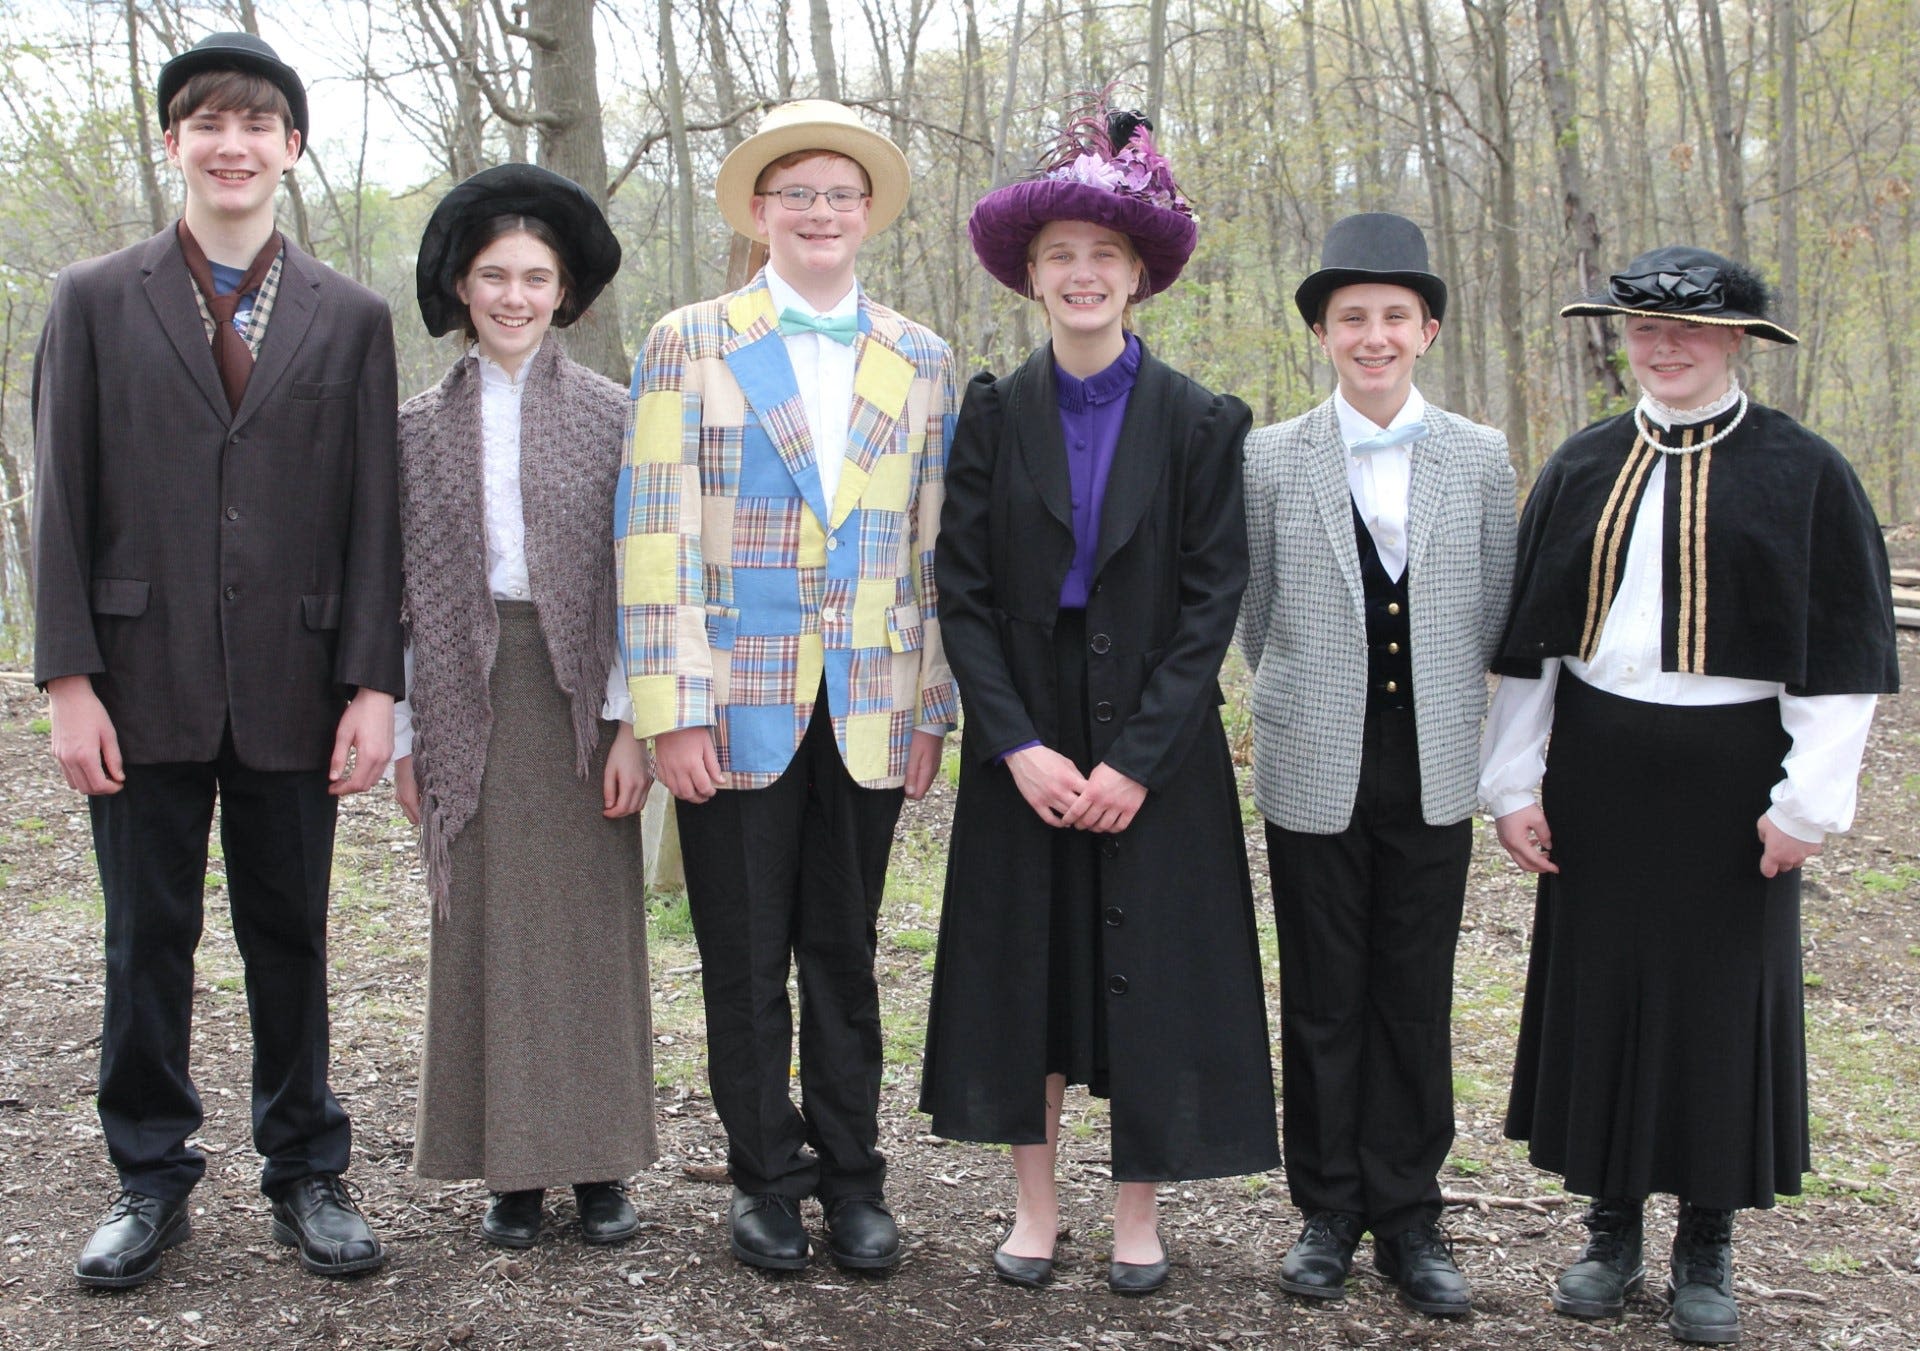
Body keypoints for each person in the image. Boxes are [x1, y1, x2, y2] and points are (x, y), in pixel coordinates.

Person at [32, 32, 402, 1288]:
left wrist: (373, 682)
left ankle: (306, 1166)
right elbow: (61, 502)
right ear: (174, 143)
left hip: (298, 687)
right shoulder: (94, 298)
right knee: (146, 937)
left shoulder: (350, 317)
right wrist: (68, 679)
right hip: (141, 682)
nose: (232, 144)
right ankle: (149, 1175)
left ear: (292, 147)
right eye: (207, 123)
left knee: (289, 933)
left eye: (257, 123)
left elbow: (372, 514)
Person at [1480, 247, 1899, 1346]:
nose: (1663, 348)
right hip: (1600, 768)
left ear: (1737, 343)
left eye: (1690, 332)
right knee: (1604, 991)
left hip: (1735, 776)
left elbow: (1845, 655)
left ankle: (1706, 1241)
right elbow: (1530, 648)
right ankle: (1610, 1228)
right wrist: (1514, 779)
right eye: (1644, 330)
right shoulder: (1580, 465)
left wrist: (1807, 801)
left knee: (1720, 1003)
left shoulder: (1805, 472)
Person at [920, 107, 1276, 1297]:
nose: (1083, 275)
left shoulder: (1202, 422)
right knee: (1030, 964)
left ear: (1138, 277)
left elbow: (1211, 599)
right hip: (1027, 717)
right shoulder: (991, 412)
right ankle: (1035, 1207)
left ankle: (1136, 1213)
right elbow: (960, 592)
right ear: (1034, 273)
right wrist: (1014, 744)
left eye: (1105, 258)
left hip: (1153, 728)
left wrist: (1139, 760)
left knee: (1152, 968)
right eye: (1062, 255)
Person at [617, 100, 957, 1273]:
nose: (820, 213)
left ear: (868, 215)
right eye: (798, 194)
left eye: (841, 195)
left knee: (847, 957)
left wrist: (931, 709)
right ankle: (766, 1175)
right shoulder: (689, 340)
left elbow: (933, 550)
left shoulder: (918, 357)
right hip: (735, 707)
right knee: (745, 957)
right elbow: (654, 534)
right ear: (761, 213)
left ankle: (856, 1178)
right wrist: (671, 709)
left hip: (870, 705)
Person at [1237, 213, 1516, 1317]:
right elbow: (1256, 615)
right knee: (1320, 994)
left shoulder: (1481, 456)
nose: (1374, 335)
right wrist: (1313, 695)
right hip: (1315, 761)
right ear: (1322, 334)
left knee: (1413, 993)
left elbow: (1497, 605)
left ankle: (1409, 1214)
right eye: (1352, 317)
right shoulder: (1267, 456)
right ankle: (1327, 1209)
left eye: (1395, 316)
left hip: (1436, 760)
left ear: (1429, 329)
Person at [394, 164, 657, 1249]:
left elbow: (639, 572)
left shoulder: (613, 415)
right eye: (493, 275)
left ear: (564, 292)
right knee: (486, 925)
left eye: (534, 277)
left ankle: (595, 1161)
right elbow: (399, 590)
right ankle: (507, 1162)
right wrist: (410, 733)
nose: (513, 295)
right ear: (462, 287)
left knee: (589, 927)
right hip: (466, 682)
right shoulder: (413, 427)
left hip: (581, 687)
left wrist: (633, 718)